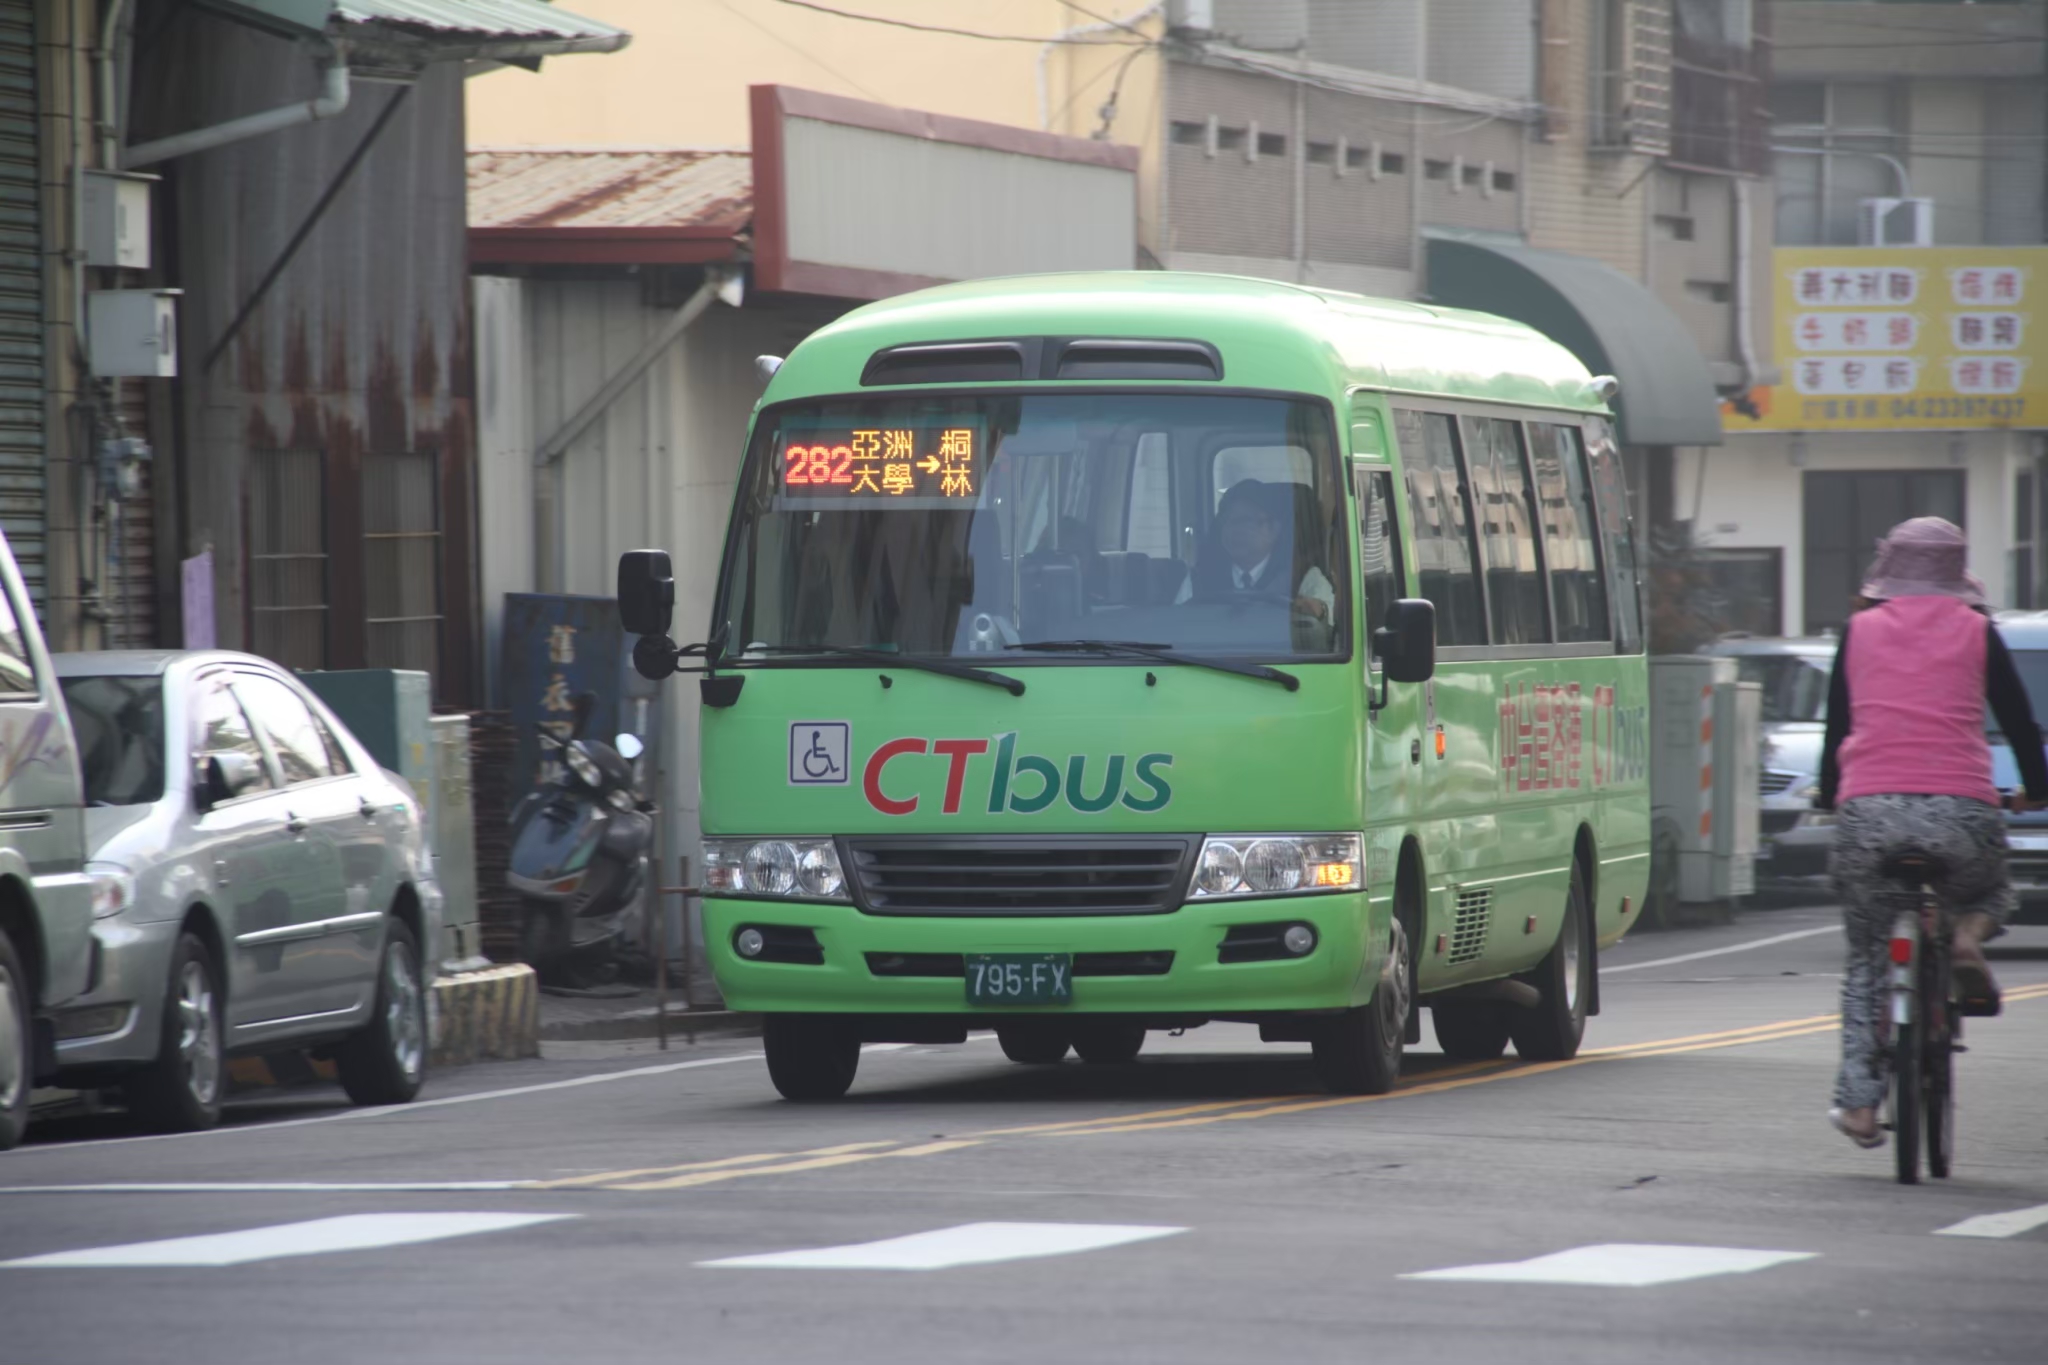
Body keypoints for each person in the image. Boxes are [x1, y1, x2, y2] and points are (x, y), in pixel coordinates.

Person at [1814, 516, 2048, 1149]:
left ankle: (1861, 1107)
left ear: (1887, 569)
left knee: (1866, 959)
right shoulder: (1979, 631)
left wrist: (1831, 794)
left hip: (1871, 809)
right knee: (1991, 895)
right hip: (1962, 810)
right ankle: (1968, 939)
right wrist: (2039, 788)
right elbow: (2022, 724)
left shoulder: (1858, 630)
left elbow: (1838, 726)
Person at [1176, 479, 1336, 620]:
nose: (1235, 530)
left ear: (1274, 529)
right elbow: (1177, 626)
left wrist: (1318, 611)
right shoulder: (1198, 579)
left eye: (1246, 521)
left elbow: (1330, 621)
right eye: (1229, 521)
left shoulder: (1305, 576)